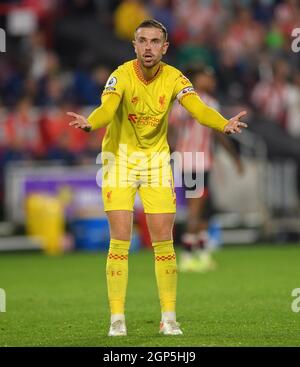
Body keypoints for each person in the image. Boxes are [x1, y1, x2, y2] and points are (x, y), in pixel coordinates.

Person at [67, 19, 247, 337]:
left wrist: (222, 124)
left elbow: (198, 108)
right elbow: (106, 109)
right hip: (118, 162)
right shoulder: (120, 75)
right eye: (142, 41)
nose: (147, 47)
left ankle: (168, 318)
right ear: (134, 45)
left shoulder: (175, 78)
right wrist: (91, 123)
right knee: (120, 240)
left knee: (164, 241)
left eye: (154, 42)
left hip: (156, 163)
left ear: (164, 47)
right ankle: (117, 320)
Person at [169, 65, 244, 273]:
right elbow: (173, 131)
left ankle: (200, 254)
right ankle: (186, 255)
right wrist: (235, 158)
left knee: (203, 211)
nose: (211, 80)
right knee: (195, 208)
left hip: (199, 162)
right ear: (196, 78)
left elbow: (174, 132)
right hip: (193, 161)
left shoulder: (183, 103)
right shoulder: (193, 102)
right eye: (206, 76)